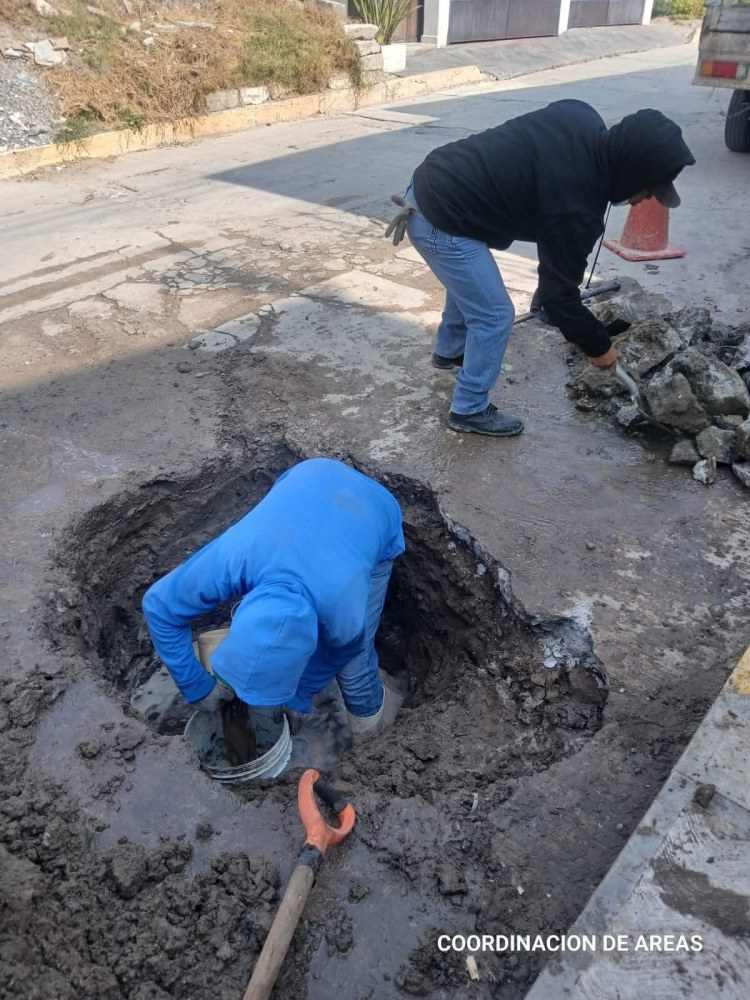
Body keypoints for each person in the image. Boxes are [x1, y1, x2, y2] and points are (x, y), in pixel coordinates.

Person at [385, 99, 696, 437]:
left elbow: (553, 247)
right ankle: (469, 409)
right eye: (649, 189)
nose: (646, 200)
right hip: (439, 218)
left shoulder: (580, 116)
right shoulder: (578, 206)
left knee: (471, 284)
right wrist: (599, 346)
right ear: (633, 171)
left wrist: (554, 288)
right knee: (495, 315)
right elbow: (558, 298)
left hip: (434, 181)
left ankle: (450, 351)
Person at [142, 458, 405, 742]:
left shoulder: (344, 610)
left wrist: (300, 694)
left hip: (371, 512)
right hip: (311, 475)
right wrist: (196, 686)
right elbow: (158, 608)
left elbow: (343, 649)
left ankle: (372, 738)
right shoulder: (232, 559)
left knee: (354, 667)